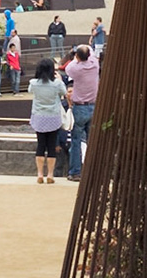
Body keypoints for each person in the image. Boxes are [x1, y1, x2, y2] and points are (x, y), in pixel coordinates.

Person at [19, 58, 68, 183]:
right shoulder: (57, 83)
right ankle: (50, 174)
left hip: (39, 116)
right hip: (53, 116)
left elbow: (30, 91)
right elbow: (64, 92)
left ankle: (40, 173)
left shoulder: (34, 83)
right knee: (51, 146)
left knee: (41, 144)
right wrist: (60, 80)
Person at [64, 44, 99, 181]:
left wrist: (76, 58)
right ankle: (93, 171)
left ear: (77, 56)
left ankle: (75, 172)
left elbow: (68, 68)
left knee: (76, 140)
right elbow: (90, 50)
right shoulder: (95, 64)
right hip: (94, 105)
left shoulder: (75, 68)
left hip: (79, 107)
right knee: (93, 140)